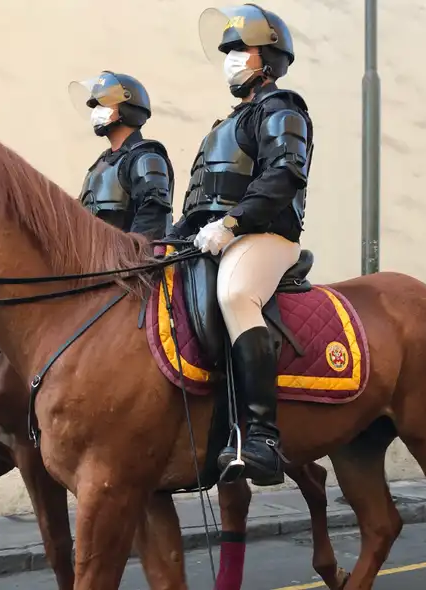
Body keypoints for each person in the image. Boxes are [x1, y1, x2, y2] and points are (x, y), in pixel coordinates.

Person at [169, 3, 313, 485]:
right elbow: (198, 197)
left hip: (265, 234)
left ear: (267, 57)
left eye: (240, 49)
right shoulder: (224, 124)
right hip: (213, 236)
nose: (231, 57)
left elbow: (284, 174)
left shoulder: (282, 108)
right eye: (227, 50)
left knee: (235, 294)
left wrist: (232, 223)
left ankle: (262, 437)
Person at [69, 71, 174, 240]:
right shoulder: (102, 163)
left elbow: (153, 213)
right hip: (98, 261)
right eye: (96, 106)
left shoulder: (146, 158)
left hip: (130, 263)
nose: (96, 112)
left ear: (128, 108)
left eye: (103, 105)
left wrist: (132, 254)